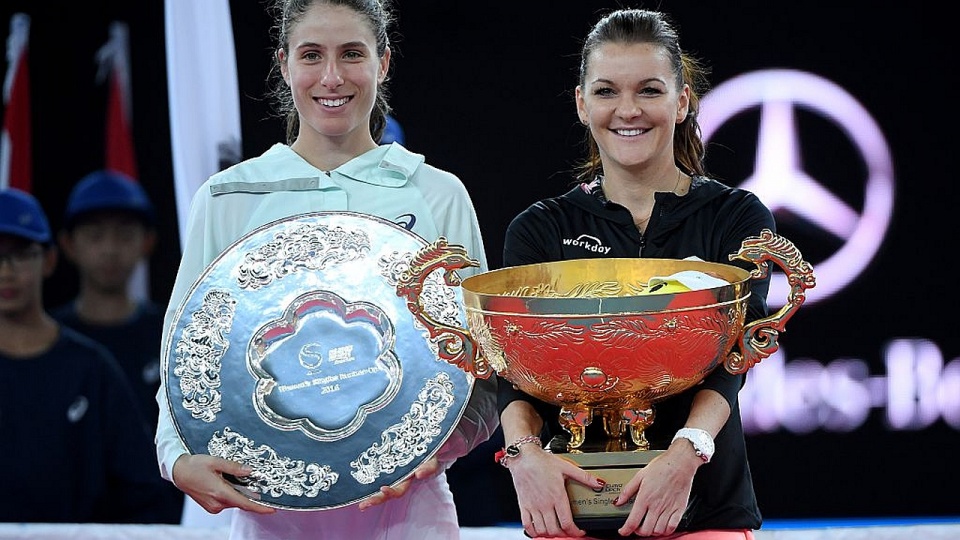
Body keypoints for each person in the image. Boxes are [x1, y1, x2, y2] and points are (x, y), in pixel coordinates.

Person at [154, 1, 497, 539]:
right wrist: (176, 458)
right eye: (311, 55)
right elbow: (185, 346)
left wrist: (440, 447)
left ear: (383, 63)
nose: (331, 77)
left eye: (352, 54)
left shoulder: (436, 193)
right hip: (268, 512)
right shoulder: (228, 196)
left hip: (407, 512)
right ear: (284, 64)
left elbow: (481, 362)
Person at [496, 8, 770, 540]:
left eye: (649, 90)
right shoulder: (540, 228)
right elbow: (513, 371)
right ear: (581, 103)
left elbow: (737, 356)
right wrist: (525, 459)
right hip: (572, 510)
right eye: (605, 91)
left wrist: (687, 454)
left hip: (704, 503)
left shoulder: (735, 217)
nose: (628, 110)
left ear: (682, 100)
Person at [0, 188, 176, 523]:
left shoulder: (90, 367)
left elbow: (142, 488)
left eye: (21, 253)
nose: (6, 271)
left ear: (49, 259)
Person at [50, 169, 184, 523]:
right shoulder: (46, 338)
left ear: (148, 242)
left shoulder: (173, 334)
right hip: (65, 520)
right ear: (68, 245)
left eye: (124, 235)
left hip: (161, 519)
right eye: (95, 236)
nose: (109, 249)